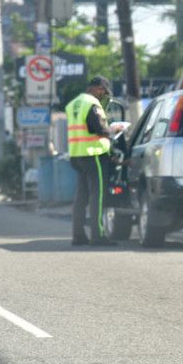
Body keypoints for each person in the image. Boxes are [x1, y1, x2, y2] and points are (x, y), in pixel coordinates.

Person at [66, 76, 118, 247]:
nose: (103, 95)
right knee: (98, 195)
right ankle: (98, 236)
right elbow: (99, 129)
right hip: (93, 155)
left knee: (81, 197)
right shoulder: (92, 104)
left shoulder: (74, 103)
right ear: (97, 88)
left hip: (77, 155)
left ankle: (78, 235)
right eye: (103, 92)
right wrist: (114, 130)